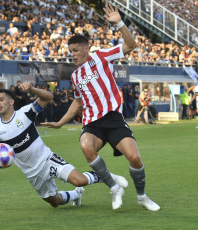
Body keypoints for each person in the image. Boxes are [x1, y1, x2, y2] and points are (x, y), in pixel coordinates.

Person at [41, 5, 160, 211]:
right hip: (92, 123)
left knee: (134, 158)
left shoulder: (102, 56)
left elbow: (130, 45)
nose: (73, 55)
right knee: (86, 146)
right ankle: (114, 187)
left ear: (87, 48)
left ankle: (141, 196)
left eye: (76, 50)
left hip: (113, 119)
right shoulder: (75, 76)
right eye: (70, 52)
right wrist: (60, 123)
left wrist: (119, 23)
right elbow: (77, 102)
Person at [0, 83, 129, 208]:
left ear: (11, 102)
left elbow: (48, 97)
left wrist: (31, 89)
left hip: (47, 160)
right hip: (32, 174)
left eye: (1, 99)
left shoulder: (26, 113)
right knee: (55, 202)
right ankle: (75, 195)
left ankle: (108, 177)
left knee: (80, 180)